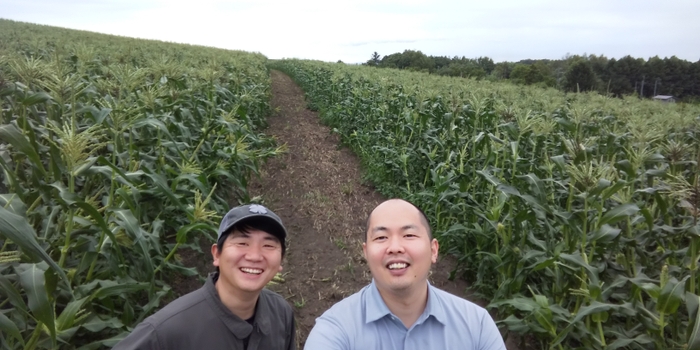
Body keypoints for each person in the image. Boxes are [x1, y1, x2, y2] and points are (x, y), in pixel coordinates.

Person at [304, 199, 506, 350]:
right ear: (366, 253)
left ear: (433, 250)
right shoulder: (335, 331)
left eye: (409, 235)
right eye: (381, 237)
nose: (395, 247)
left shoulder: (476, 324)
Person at [114, 204, 295, 350]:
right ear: (217, 255)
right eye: (242, 243)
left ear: (280, 261)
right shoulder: (165, 332)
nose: (255, 256)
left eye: (269, 246)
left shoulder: (280, 313)